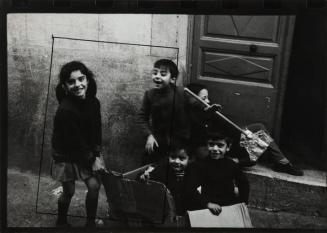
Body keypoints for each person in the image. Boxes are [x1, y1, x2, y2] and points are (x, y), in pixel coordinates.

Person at [186, 82, 303, 176]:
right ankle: (240, 160)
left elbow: (228, 129)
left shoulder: (205, 110)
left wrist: (243, 132)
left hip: (226, 142)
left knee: (259, 128)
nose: (207, 101)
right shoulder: (187, 113)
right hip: (212, 149)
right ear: (192, 97)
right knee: (251, 156)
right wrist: (207, 115)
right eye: (204, 98)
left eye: (207, 98)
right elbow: (198, 134)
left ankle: (281, 162)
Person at [51, 61, 105, 227]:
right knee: (69, 192)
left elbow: (97, 131)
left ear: (87, 80)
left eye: (81, 79)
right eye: (71, 81)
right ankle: (61, 222)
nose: (78, 85)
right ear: (65, 86)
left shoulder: (94, 102)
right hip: (66, 155)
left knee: (94, 186)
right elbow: (75, 143)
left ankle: (90, 224)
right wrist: (92, 160)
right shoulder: (65, 110)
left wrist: (96, 154)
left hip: (86, 152)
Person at [137, 59, 190, 164]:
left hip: (179, 141)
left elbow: (196, 105)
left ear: (172, 79)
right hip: (158, 140)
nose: (157, 76)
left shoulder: (181, 92)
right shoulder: (149, 95)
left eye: (163, 74)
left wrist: (205, 108)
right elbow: (141, 118)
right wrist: (149, 135)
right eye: (155, 73)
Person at [185, 130, 249, 215]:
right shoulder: (198, 165)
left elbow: (243, 183)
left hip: (228, 205)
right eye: (211, 144)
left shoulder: (231, 164)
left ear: (228, 147)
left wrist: (243, 201)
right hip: (207, 206)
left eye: (220, 145)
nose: (215, 149)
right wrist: (207, 203)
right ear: (207, 145)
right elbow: (190, 188)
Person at [140, 140, 195, 216]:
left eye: (182, 158)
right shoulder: (163, 168)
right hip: (165, 209)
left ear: (190, 160)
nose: (176, 161)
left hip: (184, 210)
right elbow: (149, 176)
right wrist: (145, 177)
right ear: (168, 156)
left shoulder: (191, 172)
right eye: (173, 157)